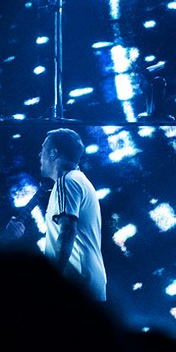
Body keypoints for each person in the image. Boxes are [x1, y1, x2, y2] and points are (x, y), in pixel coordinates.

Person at [40, 127, 107, 302]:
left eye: (43, 149)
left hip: (77, 285)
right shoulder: (80, 180)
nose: (40, 155)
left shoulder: (66, 182)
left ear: (54, 153)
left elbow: (68, 231)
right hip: (89, 283)